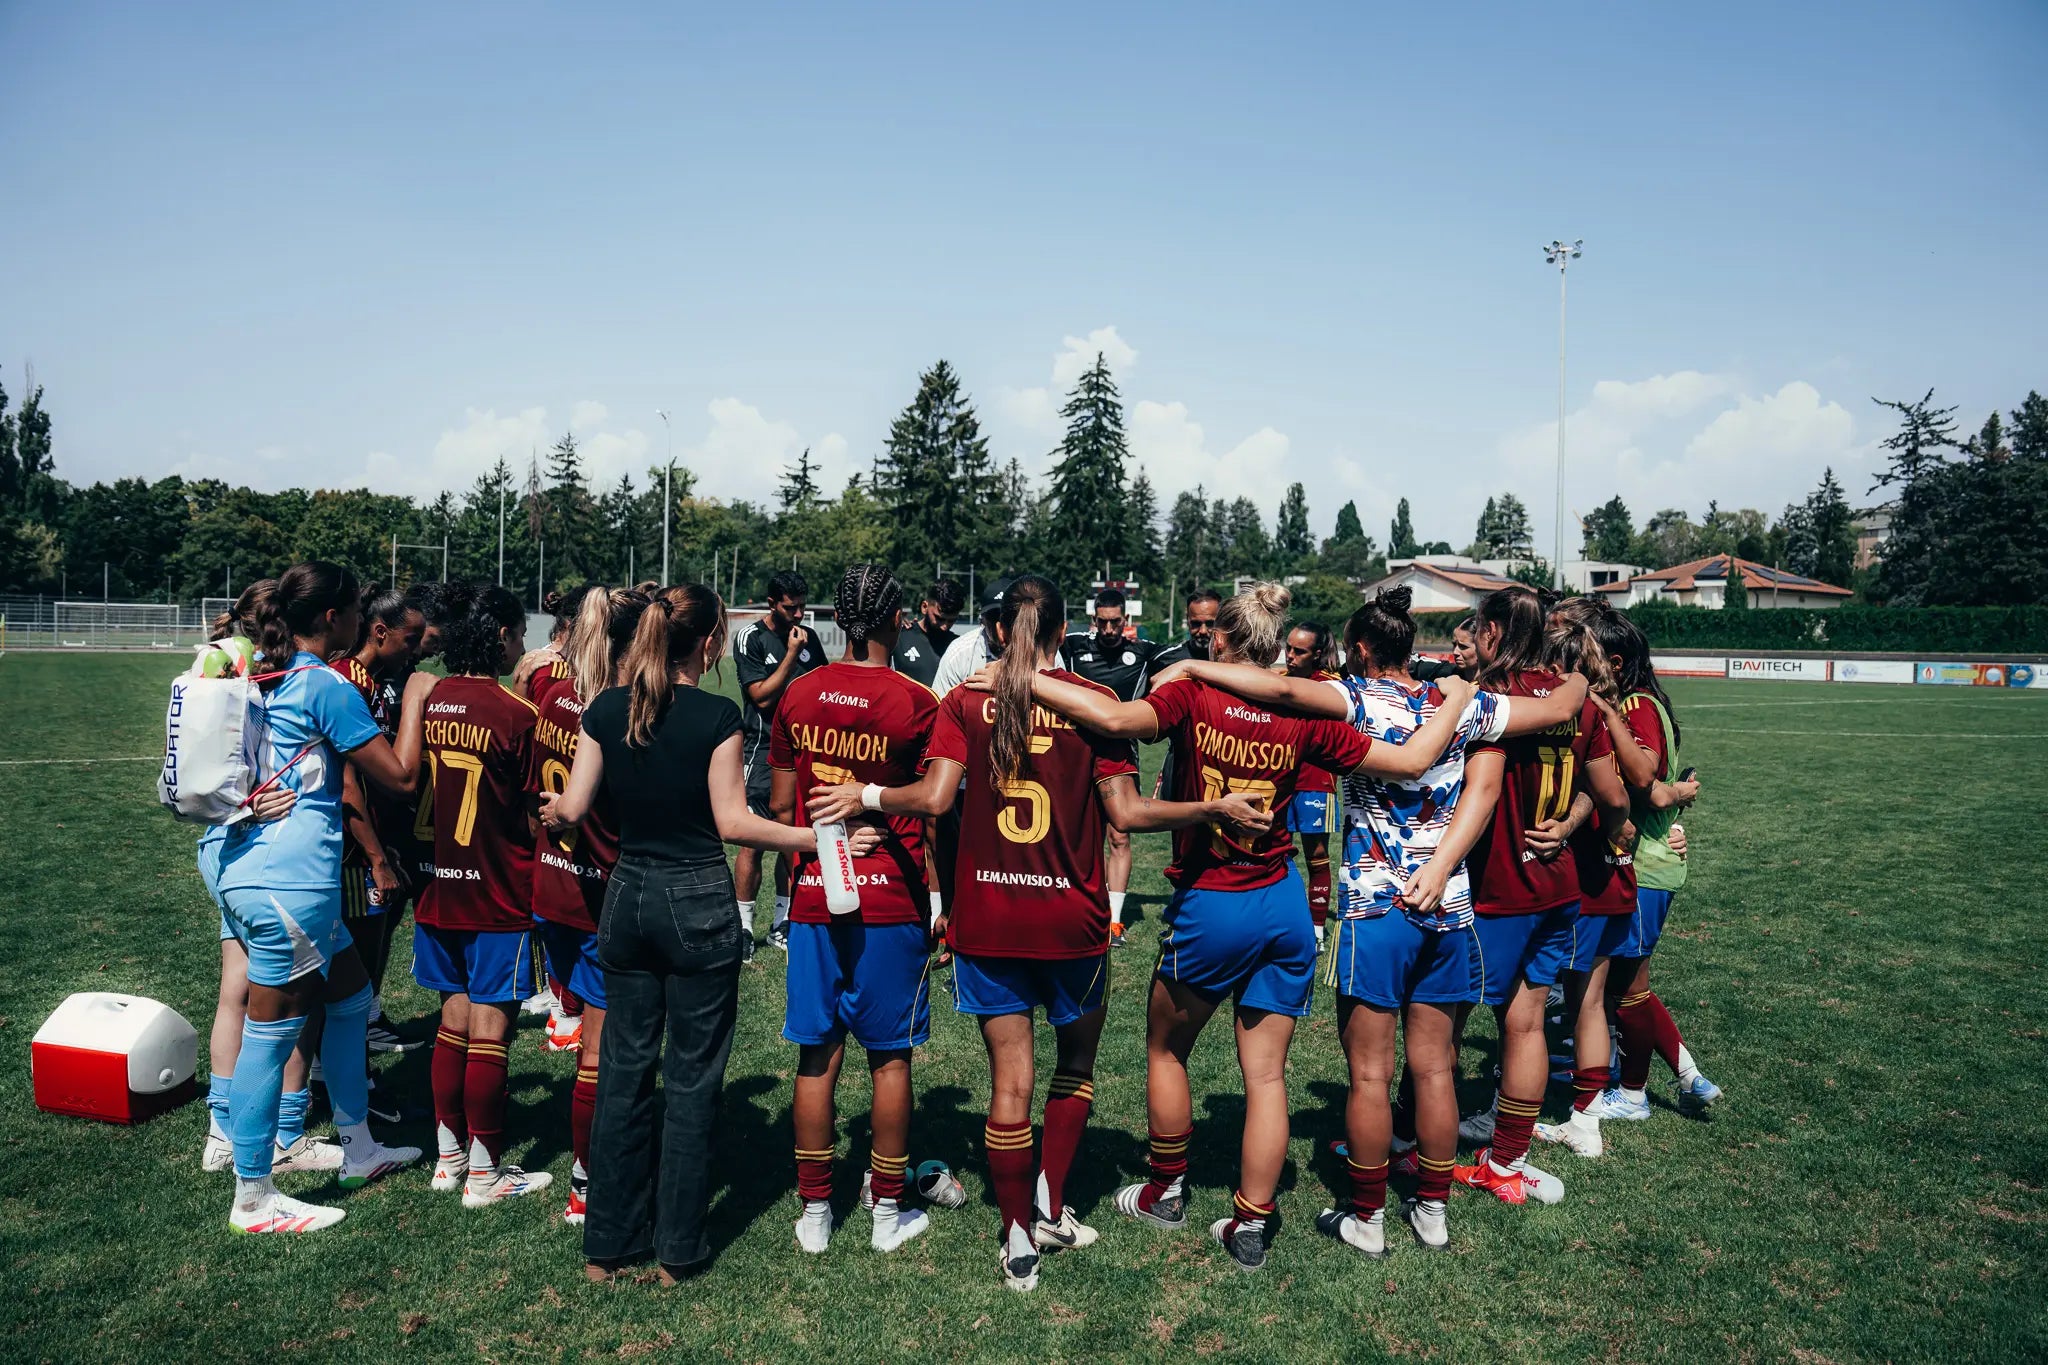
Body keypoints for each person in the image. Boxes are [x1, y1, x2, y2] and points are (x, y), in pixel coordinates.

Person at [809, 574, 1271, 1293]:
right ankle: (1052, 1202)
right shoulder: (1097, 707)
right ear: (1067, 632)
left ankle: (1019, 1237)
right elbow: (1127, 815)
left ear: (996, 631)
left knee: (1008, 1084)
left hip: (987, 919)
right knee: (1074, 1068)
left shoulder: (963, 699)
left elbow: (935, 800)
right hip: (1074, 920)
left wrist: (867, 798)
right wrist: (1209, 807)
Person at [1023, 584, 1474, 1271]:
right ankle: (1252, 1224)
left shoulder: (1193, 694)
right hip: (1286, 905)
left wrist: (1021, 674)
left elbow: (1114, 721)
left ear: (1221, 642)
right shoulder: (1308, 709)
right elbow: (1410, 760)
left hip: (1214, 902)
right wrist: (1464, 696)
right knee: (1267, 1077)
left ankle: (1166, 1192)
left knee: (1167, 1050)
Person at [1162, 587, 1588, 1255]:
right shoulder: (1464, 702)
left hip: (1375, 905)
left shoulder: (1354, 698)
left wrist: (1195, 668)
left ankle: (1366, 1217)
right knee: (1436, 1072)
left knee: (1368, 1075)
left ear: (1360, 647)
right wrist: (1585, 671)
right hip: (1448, 906)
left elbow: (1281, 693)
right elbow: (1562, 706)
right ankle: (1433, 1212)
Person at [542, 585, 882, 1283]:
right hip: (695, 897)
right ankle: (676, 1250)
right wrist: (819, 838)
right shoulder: (716, 714)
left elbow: (571, 807)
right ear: (710, 644)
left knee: (624, 1074)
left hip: (627, 899)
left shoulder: (606, 707)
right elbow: (733, 822)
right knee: (693, 1081)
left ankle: (606, 1245)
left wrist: (544, 808)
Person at [213, 561, 434, 1233]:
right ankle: (253, 1192)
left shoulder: (256, 671)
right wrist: (419, 697)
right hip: (291, 879)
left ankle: (358, 1147)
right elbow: (397, 777)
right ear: (336, 618)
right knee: (270, 1031)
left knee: (347, 994)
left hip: (241, 862)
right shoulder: (325, 684)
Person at [769, 565, 941, 1254]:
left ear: (839, 619)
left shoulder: (798, 694)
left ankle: (814, 1213)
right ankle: (885, 1213)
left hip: (815, 894)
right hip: (892, 900)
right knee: (890, 1059)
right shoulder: (916, 699)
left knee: (817, 1055)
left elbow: (783, 810)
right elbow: (936, 808)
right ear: (897, 618)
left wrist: (817, 858)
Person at [1447, 586, 1600, 1208]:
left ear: (1490, 634)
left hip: (1497, 888)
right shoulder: (1574, 697)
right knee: (1527, 1021)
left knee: (1442, 1026)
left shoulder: (1493, 703)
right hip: (1557, 883)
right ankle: (1507, 1159)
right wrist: (1566, 826)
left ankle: (1410, 1143)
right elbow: (1607, 790)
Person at [410, 583, 554, 1208]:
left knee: (453, 1025)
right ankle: (486, 1174)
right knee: (492, 1033)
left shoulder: (435, 698)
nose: (522, 647)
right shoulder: (517, 713)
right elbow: (530, 813)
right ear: (500, 636)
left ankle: (447, 1159)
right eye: (520, 634)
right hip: (499, 891)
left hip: (441, 887)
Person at [530, 585, 651, 1225]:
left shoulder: (553, 694)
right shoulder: (619, 713)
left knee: (591, 1040)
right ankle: (588, 1184)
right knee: (603, 1055)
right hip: (603, 889)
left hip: (552, 881)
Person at [1577, 614, 1719, 1118]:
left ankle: (1638, 1091)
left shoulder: (1635, 705)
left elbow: (1646, 780)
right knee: (1620, 984)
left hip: (1643, 865)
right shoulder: (1642, 702)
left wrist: (1672, 796)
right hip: (1649, 861)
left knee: (1626, 986)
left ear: (1614, 663)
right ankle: (1684, 1076)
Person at [197, 584, 316, 1175]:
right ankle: (284, 1133)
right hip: (251, 844)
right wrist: (247, 805)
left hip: (216, 844)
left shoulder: (217, 658)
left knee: (234, 990)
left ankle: (221, 1128)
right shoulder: (263, 671)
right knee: (285, 996)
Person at [336, 584, 427, 1055]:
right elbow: (348, 781)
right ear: (379, 631)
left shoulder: (363, 679)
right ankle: (341, 1064)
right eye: (409, 640)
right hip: (349, 849)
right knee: (357, 956)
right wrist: (376, 857)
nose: (415, 650)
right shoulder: (350, 681)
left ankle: (351, 1046)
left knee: (364, 951)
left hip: (363, 839)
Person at [1059, 587, 1161, 946]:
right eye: (1102, 622)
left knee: (1119, 832)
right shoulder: (1072, 647)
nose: (1108, 629)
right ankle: (1075, 907)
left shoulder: (1144, 652)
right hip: (1074, 752)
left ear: (1125, 620)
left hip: (1120, 755)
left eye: (1115, 622)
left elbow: (1178, 667)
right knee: (1072, 832)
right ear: (1093, 620)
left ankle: (1114, 921)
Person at [732, 571, 823, 952]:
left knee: (793, 841)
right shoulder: (750, 638)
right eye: (791, 607)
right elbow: (761, 698)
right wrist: (788, 655)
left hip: (800, 753)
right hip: (761, 750)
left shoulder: (810, 639)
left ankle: (782, 922)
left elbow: (819, 688)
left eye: (803, 606)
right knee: (753, 843)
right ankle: (742, 928)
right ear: (771, 603)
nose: (800, 614)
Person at [526, 586, 601, 1040]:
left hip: (549, 855)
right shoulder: (609, 707)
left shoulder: (554, 693)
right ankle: (573, 1022)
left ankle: (562, 1013)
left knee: (561, 948)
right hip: (591, 860)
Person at [1281, 621, 1342, 946]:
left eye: (1299, 651)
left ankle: (1317, 931)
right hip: (1277, 781)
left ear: (1317, 654)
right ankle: (1282, 922)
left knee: (1316, 854)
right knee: (1275, 852)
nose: (1290, 656)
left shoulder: (1332, 687)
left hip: (1316, 783)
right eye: (1288, 648)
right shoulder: (1278, 683)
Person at [931, 576, 1014, 698]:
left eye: (1009, 618)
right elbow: (940, 708)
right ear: (983, 620)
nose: (1000, 626)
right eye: (994, 617)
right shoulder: (959, 654)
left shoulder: (1042, 651)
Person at [891, 578, 965, 688]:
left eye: (951, 621)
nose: (945, 627)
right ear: (924, 607)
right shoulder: (899, 637)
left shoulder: (960, 646)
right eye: (939, 618)